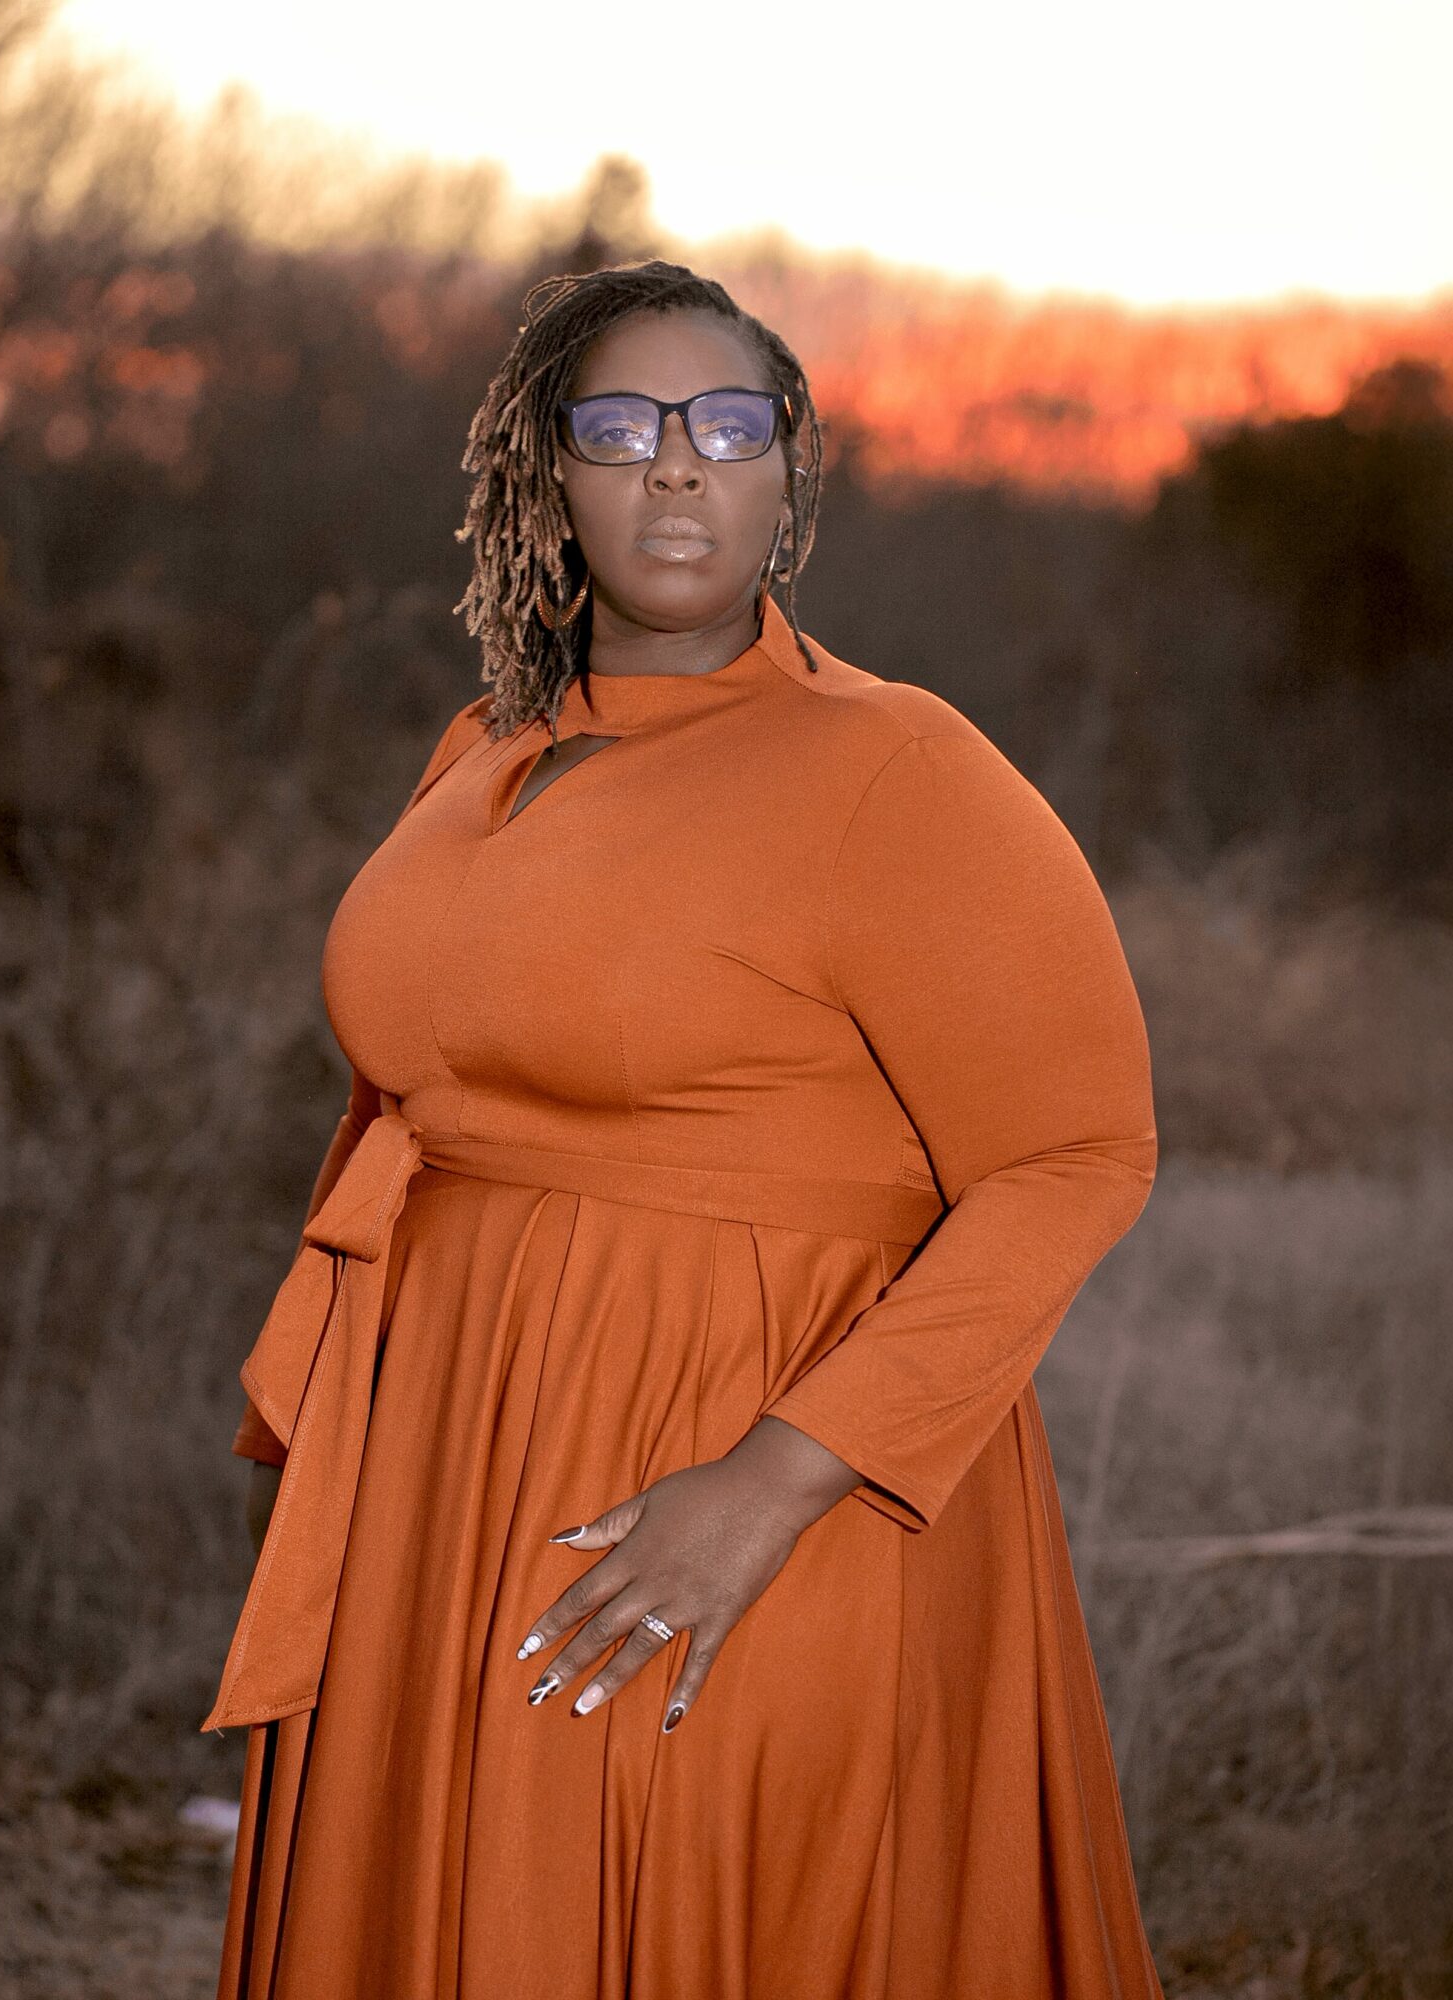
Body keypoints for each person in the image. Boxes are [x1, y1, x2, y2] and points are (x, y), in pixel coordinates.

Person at [202, 258, 1165, 1999]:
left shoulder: (895, 766)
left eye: (727, 426)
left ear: (788, 470)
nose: (674, 466)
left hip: (739, 1474)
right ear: (543, 476)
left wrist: (776, 1483)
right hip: (453, 1459)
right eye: (620, 426)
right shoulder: (482, 749)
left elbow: (1075, 1157)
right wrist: (361, 1438)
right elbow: (415, 1090)